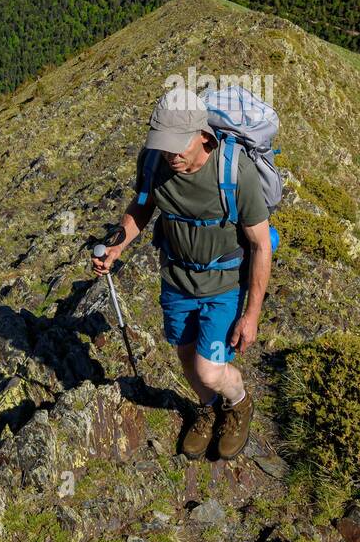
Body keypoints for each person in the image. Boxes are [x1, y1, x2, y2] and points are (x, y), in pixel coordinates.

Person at [92, 89, 272, 460]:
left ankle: (237, 402)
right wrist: (117, 246)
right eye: (163, 144)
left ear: (203, 136)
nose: (170, 153)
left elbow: (260, 245)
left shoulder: (236, 172)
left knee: (209, 368)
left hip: (224, 283)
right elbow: (142, 207)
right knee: (187, 355)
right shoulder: (155, 163)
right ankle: (207, 409)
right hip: (176, 279)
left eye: (177, 144)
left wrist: (251, 315)